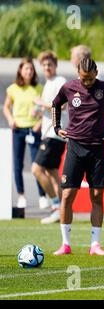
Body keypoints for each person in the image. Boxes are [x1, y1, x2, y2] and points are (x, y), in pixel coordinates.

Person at [52, 58, 104, 256]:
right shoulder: (68, 88)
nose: (87, 83)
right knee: (67, 195)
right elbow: (55, 104)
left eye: (91, 79)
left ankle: (95, 245)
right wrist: (57, 127)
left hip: (97, 149)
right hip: (75, 147)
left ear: (96, 73)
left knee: (97, 196)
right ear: (78, 73)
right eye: (84, 79)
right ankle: (65, 244)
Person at [2, 57, 46, 209]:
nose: (29, 71)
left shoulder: (39, 88)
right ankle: (21, 195)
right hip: (18, 129)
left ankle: (42, 195)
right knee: (18, 164)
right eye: (26, 68)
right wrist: (10, 119)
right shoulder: (13, 88)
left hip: (34, 129)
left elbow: (44, 108)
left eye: (31, 69)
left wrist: (39, 123)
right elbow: (6, 107)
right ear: (20, 70)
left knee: (37, 164)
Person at [31, 51, 67, 224]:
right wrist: (37, 112)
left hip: (55, 134)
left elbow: (63, 106)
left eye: (49, 64)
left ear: (55, 65)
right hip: (49, 133)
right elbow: (49, 108)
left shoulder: (60, 81)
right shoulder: (48, 83)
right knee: (53, 173)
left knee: (36, 169)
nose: (47, 67)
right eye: (44, 65)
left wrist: (40, 104)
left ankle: (55, 206)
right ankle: (62, 210)